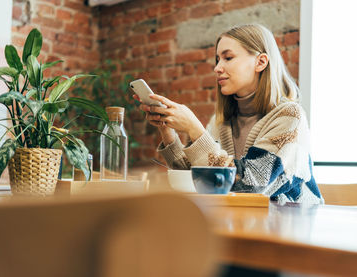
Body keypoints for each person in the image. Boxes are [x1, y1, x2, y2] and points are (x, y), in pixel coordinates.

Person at [134, 23, 323, 204]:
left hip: (294, 227)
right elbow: (197, 178)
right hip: (246, 223)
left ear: (261, 62)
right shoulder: (220, 122)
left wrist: (195, 129)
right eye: (217, 60)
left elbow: (252, 183)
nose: (217, 68)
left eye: (228, 58)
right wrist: (167, 131)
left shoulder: (289, 117)